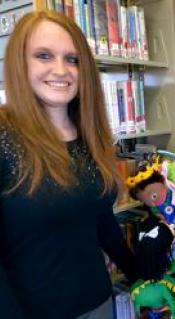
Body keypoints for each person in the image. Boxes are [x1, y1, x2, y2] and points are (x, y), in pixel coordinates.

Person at [0, 11, 136, 318]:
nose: (60, 70)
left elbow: (100, 221)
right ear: (20, 63)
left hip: (99, 303)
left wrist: (139, 271)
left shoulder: (88, 133)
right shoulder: (4, 136)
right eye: (44, 56)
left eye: (72, 59)